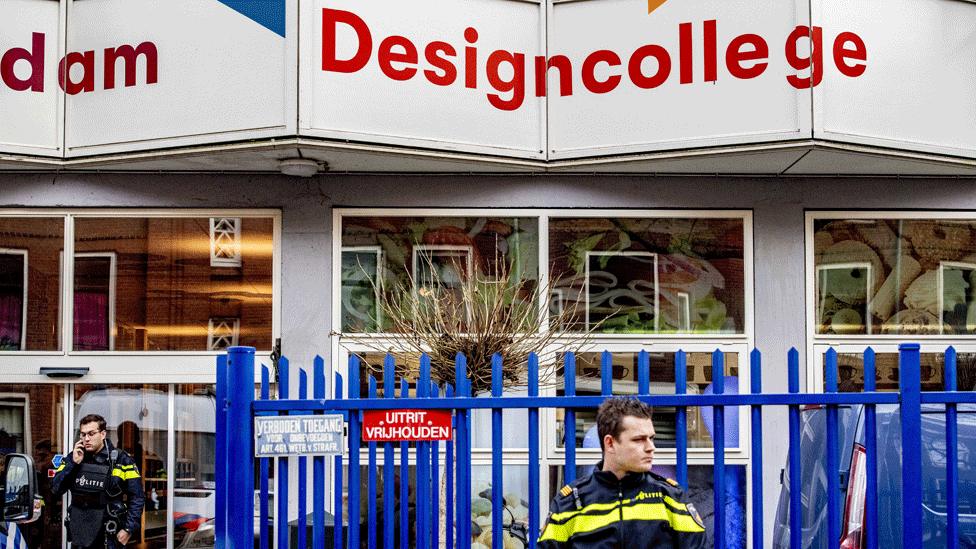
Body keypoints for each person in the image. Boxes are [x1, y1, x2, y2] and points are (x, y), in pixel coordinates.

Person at [539, 397, 706, 548]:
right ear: (610, 443)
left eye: (651, 438)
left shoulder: (670, 499)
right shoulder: (569, 505)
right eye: (639, 439)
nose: (650, 447)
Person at [51, 414, 145, 549]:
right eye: (83, 435)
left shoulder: (121, 460)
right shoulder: (74, 458)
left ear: (102, 434)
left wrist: (128, 529)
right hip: (81, 533)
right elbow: (56, 488)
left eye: (91, 433)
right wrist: (73, 463)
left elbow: (137, 497)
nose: (86, 439)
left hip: (109, 535)